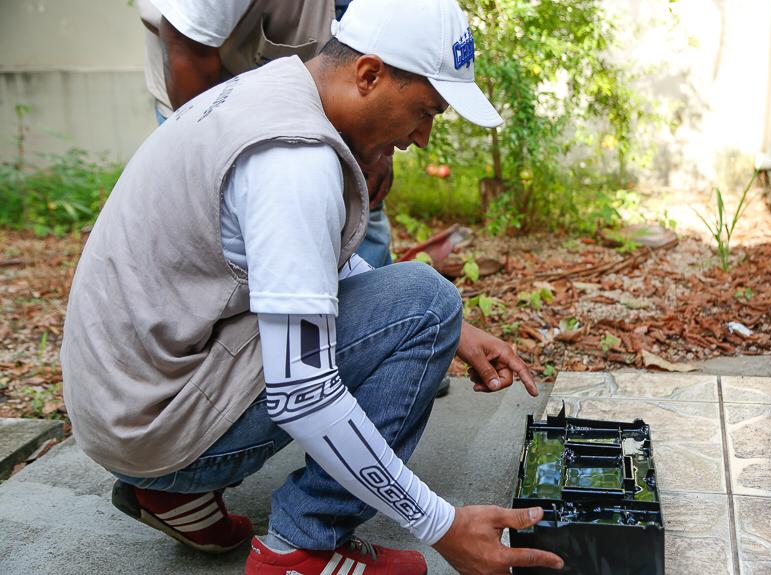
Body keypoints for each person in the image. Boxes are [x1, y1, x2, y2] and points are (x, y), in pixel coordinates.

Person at [61, 0, 564, 574]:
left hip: (125, 405)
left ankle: (174, 493)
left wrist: (458, 334)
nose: (421, 138)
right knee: (428, 303)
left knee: (425, 308)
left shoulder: (273, 89)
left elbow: (305, 267)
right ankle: (301, 548)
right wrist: (441, 524)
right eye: (424, 112)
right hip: (151, 425)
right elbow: (303, 394)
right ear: (369, 74)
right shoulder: (294, 161)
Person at [135, 0, 392, 270]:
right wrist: (224, 172)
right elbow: (186, 49)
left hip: (315, 83)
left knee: (359, 206)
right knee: (234, 235)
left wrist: (378, 142)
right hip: (204, 90)